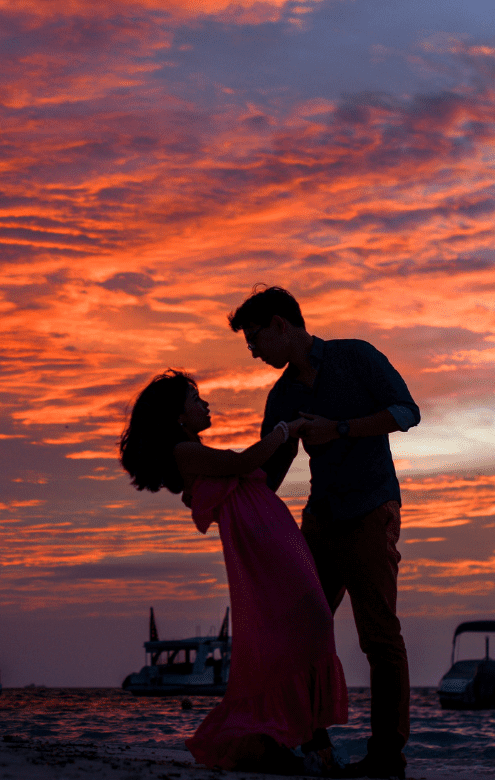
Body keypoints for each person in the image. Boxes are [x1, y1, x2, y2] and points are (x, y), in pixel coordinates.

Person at [229, 286, 420, 780]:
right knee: (299, 628)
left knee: (379, 636)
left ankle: (387, 757)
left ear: (280, 325)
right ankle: (312, 746)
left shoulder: (354, 357)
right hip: (319, 519)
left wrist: (338, 429)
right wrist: (230, 504)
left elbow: (406, 413)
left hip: (372, 510)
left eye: (255, 339)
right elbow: (270, 471)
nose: (253, 352)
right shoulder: (283, 396)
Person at [119, 370, 348, 775]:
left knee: (307, 625)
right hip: (261, 545)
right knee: (308, 624)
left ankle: (295, 741)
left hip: (270, 536)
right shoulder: (183, 452)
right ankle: (309, 744)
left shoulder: (191, 450)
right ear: (177, 416)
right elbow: (243, 461)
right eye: (194, 399)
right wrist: (286, 429)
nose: (204, 404)